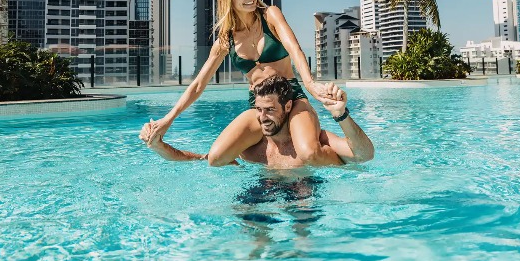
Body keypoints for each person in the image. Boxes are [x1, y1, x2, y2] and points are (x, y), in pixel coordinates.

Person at [144, 0, 344, 166]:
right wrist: (169, 119)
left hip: (291, 95)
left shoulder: (270, 15)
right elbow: (198, 85)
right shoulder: (225, 40)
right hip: (259, 104)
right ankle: (202, 158)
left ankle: (342, 160)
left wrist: (310, 84)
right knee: (216, 158)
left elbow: (295, 48)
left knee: (310, 153)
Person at [139, 76, 375, 168]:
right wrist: (160, 146)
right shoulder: (251, 150)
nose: (262, 117)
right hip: (262, 192)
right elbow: (200, 160)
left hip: (305, 194)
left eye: (270, 110)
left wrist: (341, 115)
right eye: (259, 110)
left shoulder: (317, 140)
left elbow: (364, 155)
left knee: (302, 238)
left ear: (289, 107)